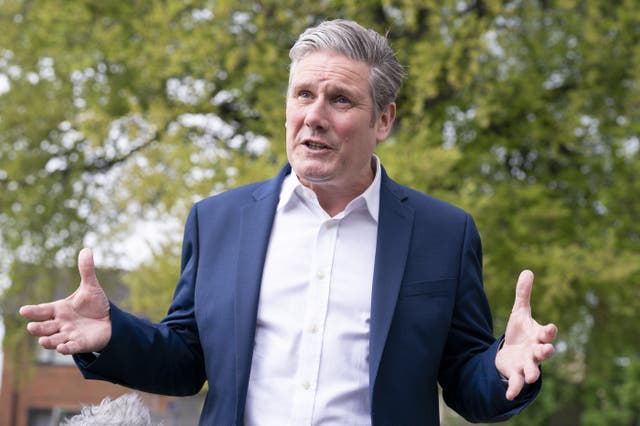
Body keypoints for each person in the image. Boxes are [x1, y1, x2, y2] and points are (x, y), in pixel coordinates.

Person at [20, 19, 557, 425]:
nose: (314, 115)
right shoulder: (218, 222)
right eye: (303, 94)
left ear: (384, 120)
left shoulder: (444, 234)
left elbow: (465, 379)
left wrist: (503, 368)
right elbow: (187, 361)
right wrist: (111, 334)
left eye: (340, 99)